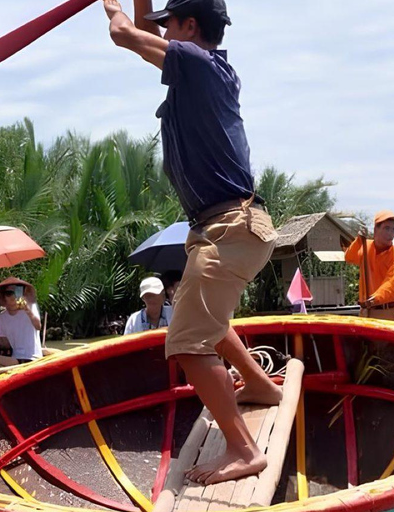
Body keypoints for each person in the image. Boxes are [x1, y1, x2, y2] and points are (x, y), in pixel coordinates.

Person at [103, 0, 282, 484]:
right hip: (222, 228)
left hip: (230, 227)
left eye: (171, 26)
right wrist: (137, 9)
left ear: (189, 26)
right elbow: (142, 28)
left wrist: (110, 7)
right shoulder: (197, 69)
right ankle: (262, 387)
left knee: (185, 342)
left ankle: (244, 450)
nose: (164, 35)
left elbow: (126, 33)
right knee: (203, 317)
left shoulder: (201, 65)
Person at [343, 210, 394, 320]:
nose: (391, 233)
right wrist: (358, 241)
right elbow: (349, 258)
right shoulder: (365, 246)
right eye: (387, 228)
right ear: (376, 229)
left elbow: (391, 281)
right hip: (365, 310)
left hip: (385, 311)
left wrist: (376, 298)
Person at [0, 277, 43, 366]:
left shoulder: (31, 308)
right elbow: (4, 344)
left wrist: (29, 312)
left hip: (33, 357)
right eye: (9, 293)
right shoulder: (2, 317)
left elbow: (38, 326)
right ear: (3, 297)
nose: (13, 297)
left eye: (17, 292)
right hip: (15, 358)